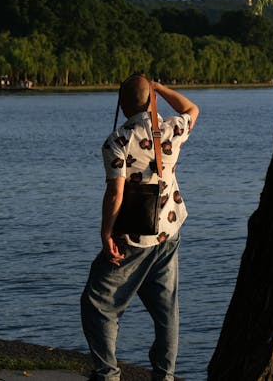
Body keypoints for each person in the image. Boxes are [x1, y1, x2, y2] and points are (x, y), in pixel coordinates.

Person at [81, 74, 200, 381]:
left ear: (121, 106)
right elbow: (192, 109)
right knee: (165, 309)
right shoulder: (172, 128)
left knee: (98, 302)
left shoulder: (118, 140)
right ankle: (165, 375)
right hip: (168, 229)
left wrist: (106, 233)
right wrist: (159, 89)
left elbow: (115, 193)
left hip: (133, 236)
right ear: (151, 100)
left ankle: (107, 374)